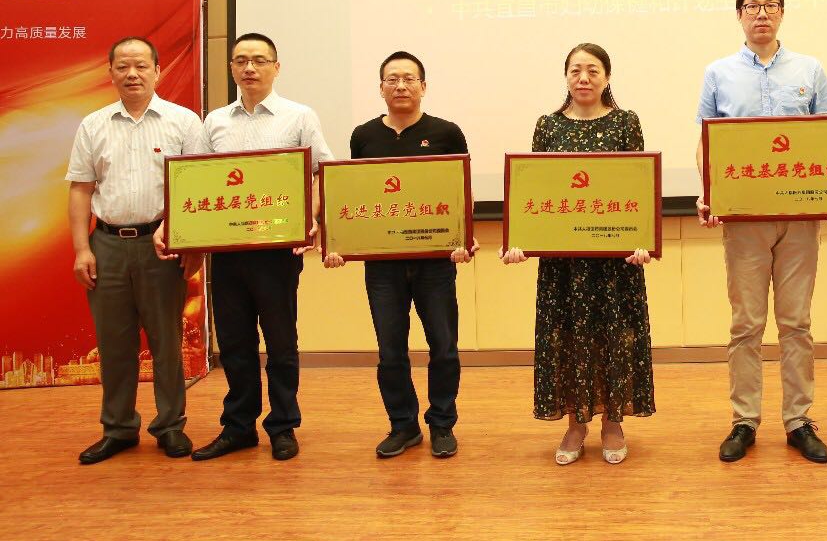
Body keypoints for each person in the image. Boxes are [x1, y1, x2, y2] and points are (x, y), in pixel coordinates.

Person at [695, 0, 827, 465]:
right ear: (739, 15)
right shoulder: (718, 73)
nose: (761, 13)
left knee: (796, 323)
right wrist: (708, 193)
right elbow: (705, 142)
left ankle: (798, 420)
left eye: (770, 5)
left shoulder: (810, 69)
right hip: (744, 220)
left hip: (799, 220)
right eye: (752, 6)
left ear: (782, 12)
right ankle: (744, 420)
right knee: (746, 324)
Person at [501, 43, 656, 465]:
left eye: (592, 70)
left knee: (614, 335)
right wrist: (521, 239)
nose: (583, 78)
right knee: (567, 337)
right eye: (575, 70)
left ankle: (613, 422)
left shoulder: (626, 122)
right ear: (566, 76)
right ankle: (575, 422)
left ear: (607, 77)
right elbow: (535, 188)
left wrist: (641, 238)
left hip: (614, 260)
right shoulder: (548, 126)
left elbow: (637, 185)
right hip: (563, 263)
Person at [322, 50, 479, 459]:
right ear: (381, 88)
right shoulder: (363, 136)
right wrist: (340, 243)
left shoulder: (446, 133)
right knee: (390, 350)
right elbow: (354, 197)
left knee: (443, 346)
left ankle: (442, 424)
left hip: (434, 264)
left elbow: (461, 193)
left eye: (409, 78)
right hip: (383, 266)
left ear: (423, 87)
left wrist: (465, 237)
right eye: (392, 79)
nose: (401, 86)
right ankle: (403, 425)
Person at [66, 36, 209, 464]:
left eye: (141, 66)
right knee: (114, 343)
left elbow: (198, 183)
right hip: (106, 245)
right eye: (123, 66)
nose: (132, 74)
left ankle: (170, 426)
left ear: (157, 71)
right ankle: (119, 428)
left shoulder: (183, 122)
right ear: (110, 73)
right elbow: (81, 189)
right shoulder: (93, 125)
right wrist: (81, 249)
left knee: (166, 341)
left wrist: (187, 239)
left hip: (162, 247)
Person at [192, 33, 334, 462]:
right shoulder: (215, 121)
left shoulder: (298, 116)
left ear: (276, 67)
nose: (249, 68)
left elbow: (320, 172)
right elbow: (196, 179)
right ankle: (238, 427)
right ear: (231, 69)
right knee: (234, 342)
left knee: (280, 341)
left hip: (277, 251)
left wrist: (309, 218)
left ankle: (283, 426)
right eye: (241, 60)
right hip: (228, 249)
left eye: (258, 60)